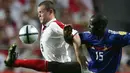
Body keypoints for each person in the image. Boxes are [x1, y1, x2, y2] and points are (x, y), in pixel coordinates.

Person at [4, 1, 83, 73]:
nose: (39, 15)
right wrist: (17, 62)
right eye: (38, 12)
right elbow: (44, 65)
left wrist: (78, 53)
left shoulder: (54, 25)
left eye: (41, 12)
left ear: (50, 12)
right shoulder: (46, 28)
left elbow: (75, 35)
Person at [64, 14, 130, 73]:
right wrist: (67, 36)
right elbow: (72, 40)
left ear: (100, 27)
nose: (88, 26)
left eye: (92, 24)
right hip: (91, 70)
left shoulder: (115, 37)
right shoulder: (87, 36)